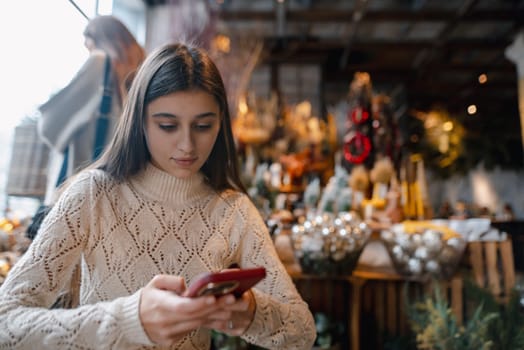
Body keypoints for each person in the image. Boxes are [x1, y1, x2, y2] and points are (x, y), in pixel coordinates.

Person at [0, 43, 316, 349]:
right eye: (167, 126)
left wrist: (248, 312)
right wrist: (128, 320)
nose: (187, 145)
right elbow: (6, 324)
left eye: (204, 126)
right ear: (139, 121)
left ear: (221, 124)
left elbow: (302, 332)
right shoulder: (93, 195)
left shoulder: (232, 211)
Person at [37, 15, 145, 205]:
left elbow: (50, 125)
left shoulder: (100, 62)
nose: (86, 45)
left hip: (79, 185)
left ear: (101, 38)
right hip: (113, 189)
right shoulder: (135, 76)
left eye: (88, 39)